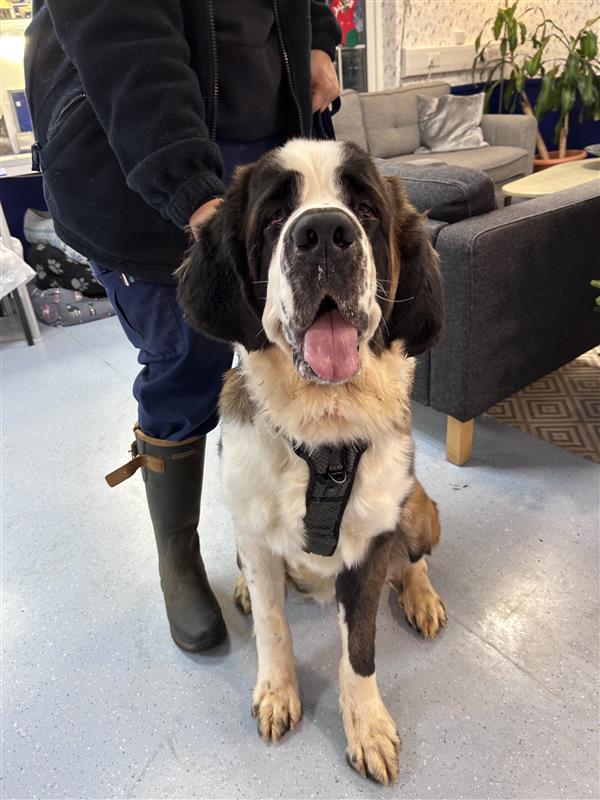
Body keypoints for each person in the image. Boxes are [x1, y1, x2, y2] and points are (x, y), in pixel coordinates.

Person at [25, 1, 341, 652]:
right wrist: (196, 197)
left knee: (288, 354)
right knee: (186, 363)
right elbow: (122, 38)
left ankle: (281, 520)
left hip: (271, 161)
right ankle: (179, 553)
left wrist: (320, 39)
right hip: (139, 167)